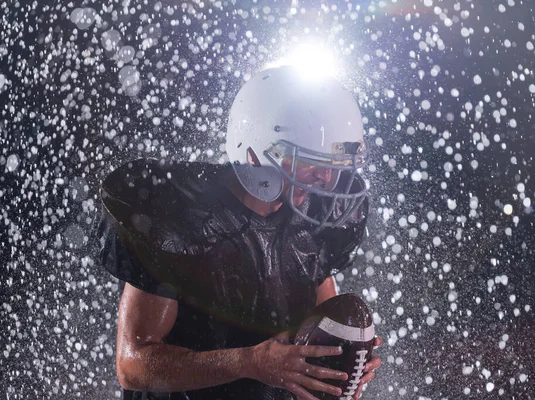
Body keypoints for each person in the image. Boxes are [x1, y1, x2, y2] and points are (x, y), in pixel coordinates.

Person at [97, 65, 382, 400]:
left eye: (332, 168)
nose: (326, 182)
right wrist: (248, 362)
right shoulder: (182, 214)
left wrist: (341, 361)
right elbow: (134, 366)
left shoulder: (313, 221)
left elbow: (322, 327)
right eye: (311, 163)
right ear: (258, 150)